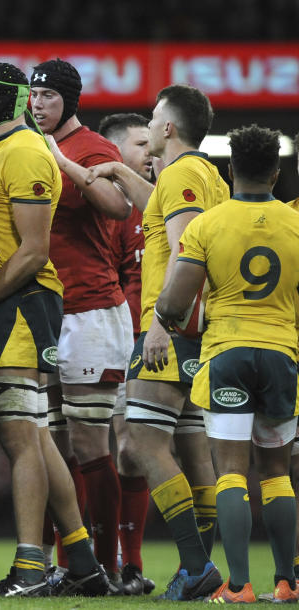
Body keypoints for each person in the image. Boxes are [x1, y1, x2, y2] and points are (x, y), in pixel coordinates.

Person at [0, 63, 108, 597]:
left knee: (19, 437)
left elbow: (34, 251)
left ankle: (30, 567)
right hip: (10, 302)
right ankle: (84, 563)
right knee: (36, 436)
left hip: (22, 299)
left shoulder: (23, 152)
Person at [156, 124, 299, 603]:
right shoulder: (296, 222)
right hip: (282, 352)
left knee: (231, 473)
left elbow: (176, 302)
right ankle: (288, 582)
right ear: (277, 173)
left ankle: (239, 587)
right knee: (277, 472)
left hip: (228, 353)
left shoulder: (206, 224)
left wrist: (167, 317)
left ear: (230, 169)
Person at [112, 85, 229, 601]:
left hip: (172, 327)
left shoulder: (181, 173)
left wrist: (162, 321)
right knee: (191, 448)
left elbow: (187, 248)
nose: (151, 124)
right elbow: (161, 218)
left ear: (168, 128)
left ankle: (196, 564)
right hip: (202, 331)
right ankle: (197, 567)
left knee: (142, 442)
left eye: (155, 117)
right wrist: (120, 174)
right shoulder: (207, 176)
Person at [29, 58, 131, 586]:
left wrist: (60, 162)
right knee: (47, 445)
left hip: (91, 310)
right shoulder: (27, 146)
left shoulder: (93, 148)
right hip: (45, 310)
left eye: (47, 95)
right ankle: (65, 564)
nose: (37, 104)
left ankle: (108, 565)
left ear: (69, 99)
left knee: (90, 445)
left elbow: (118, 206)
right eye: (32, 95)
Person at [97, 112, 156, 595]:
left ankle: (132, 562)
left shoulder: (165, 204)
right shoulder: (109, 210)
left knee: (136, 452)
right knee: (96, 448)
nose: (151, 152)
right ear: (115, 151)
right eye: (141, 144)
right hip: (118, 338)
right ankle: (96, 561)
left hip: (160, 342)